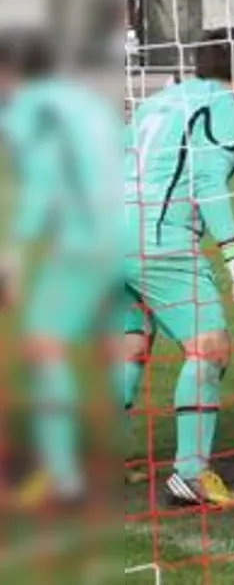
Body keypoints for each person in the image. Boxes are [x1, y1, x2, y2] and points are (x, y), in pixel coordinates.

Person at [122, 29, 234, 506]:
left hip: (103, 230)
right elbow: (207, 180)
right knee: (209, 347)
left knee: (129, 345)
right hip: (158, 239)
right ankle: (191, 474)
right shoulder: (227, 106)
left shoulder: (159, 100)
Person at [0, 36, 123, 506]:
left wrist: (13, 258)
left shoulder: (30, 109)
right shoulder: (89, 103)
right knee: (115, 345)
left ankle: (64, 475)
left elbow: (42, 183)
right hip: (126, 236)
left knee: (43, 346)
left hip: (81, 244)